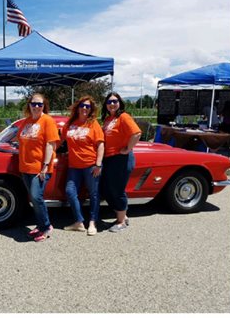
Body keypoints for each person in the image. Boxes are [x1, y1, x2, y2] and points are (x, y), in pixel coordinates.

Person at [17, 93, 60, 242]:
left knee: (37, 197)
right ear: (29, 105)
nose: (36, 107)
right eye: (33, 104)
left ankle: (46, 227)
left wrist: (45, 166)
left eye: (39, 104)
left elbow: (51, 144)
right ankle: (40, 224)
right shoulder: (26, 121)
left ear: (44, 106)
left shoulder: (48, 121)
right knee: (33, 199)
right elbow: (21, 141)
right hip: (25, 167)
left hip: (40, 168)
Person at [62, 96, 105, 236]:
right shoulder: (70, 123)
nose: (85, 108)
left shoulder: (93, 124)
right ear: (77, 107)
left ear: (91, 109)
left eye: (88, 106)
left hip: (91, 165)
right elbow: (58, 140)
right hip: (74, 166)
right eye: (82, 105)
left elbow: (100, 145)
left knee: (93, 194)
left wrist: (98, 164)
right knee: (70, 191)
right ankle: (79, 222)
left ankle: (92, 222)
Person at [99, 92, 141, 232]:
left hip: (121, 159)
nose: (112, 104)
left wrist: (128, 148)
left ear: (120, 103)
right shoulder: (108, 119)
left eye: (115, 101)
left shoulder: (123, 117)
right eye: (109, 102)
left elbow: (136, 133)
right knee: (107, 189)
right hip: (109, 158)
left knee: (117, 190)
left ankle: (121, 221)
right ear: (105, 105)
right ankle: (123, 216)